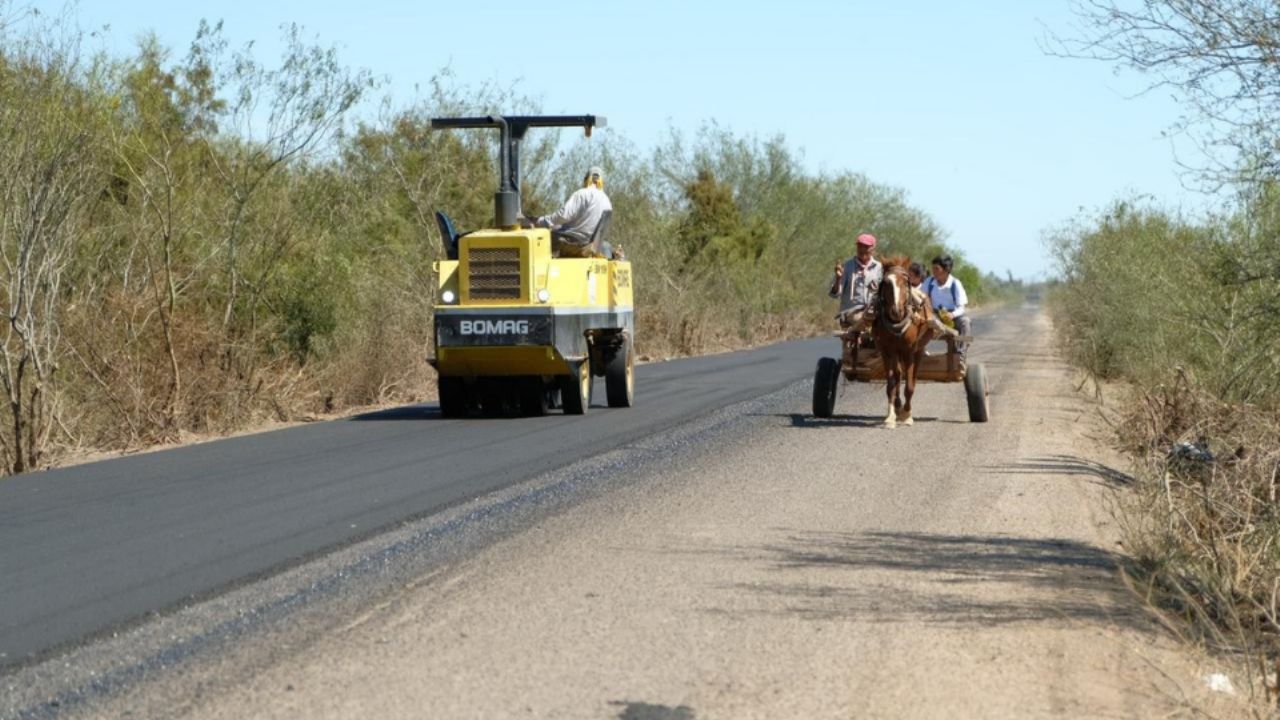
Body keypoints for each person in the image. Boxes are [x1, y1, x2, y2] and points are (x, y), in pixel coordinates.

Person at [528, 166, 613, 258]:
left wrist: (541, 221)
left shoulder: (581, 194)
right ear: (601, 182)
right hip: (589, 244)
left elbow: (563, 216)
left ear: (587, 179)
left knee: (539, 238)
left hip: (571, 241)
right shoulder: (607, 202)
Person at [829, 233, 882, 330]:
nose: (862, 249)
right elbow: (835, 294)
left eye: (866, 247)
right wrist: (838, 278)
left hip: (873, 311)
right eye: (860, 246)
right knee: (864, 320)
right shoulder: (847, 267)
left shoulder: (879, 268)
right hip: (852, 312)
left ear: (873, 249)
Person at [923, 254, 971, 360]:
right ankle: (918, 351)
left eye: (936, 269)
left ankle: (961, 354)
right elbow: (921, 297)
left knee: (965, 322)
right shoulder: (929, 282)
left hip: (952, 316)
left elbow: (962, 308)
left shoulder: (955, 284)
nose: (933, 272)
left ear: (946, 270)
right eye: (933, 268)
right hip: (934, 314)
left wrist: (952, 314)